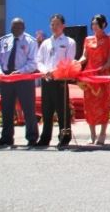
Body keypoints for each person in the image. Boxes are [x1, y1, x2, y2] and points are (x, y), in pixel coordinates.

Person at [35, 14, 76, 147]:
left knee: (62, 110)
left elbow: (69, 60)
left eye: (57, 24)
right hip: (47, 80)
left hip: (60, 80)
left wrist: (54, 71)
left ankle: (65, 137)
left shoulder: (69, 42)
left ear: (63, 26)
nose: (54, 27)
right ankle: (45, 138)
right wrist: (45, 70)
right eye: (52, 24)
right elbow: (39, 60)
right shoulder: (46, 43)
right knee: (47, 110)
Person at [0, 18, 39, 147]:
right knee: (7, 109)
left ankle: (32, 137)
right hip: (6, 79)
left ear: (23, 28)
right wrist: (0, 72)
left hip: (24, 79)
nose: (15, 29)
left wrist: (19, 72)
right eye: (13, 27)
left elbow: (33, 63)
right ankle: (6, 137)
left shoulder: (30, 41)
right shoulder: (4, 40)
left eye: (18, 27)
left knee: (28, 109)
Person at [77, 14, 110, 145]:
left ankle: (103, 133)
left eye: (96, 24)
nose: (94, 26)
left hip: (102, 76)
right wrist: (77, 63)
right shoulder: (88, 40)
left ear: (103, 25)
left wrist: (102, 68)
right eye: (92, 24)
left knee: (103, 104)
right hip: (89, 77)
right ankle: (92, 134)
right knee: (89, 105)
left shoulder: (109, 40)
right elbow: (84, 57)